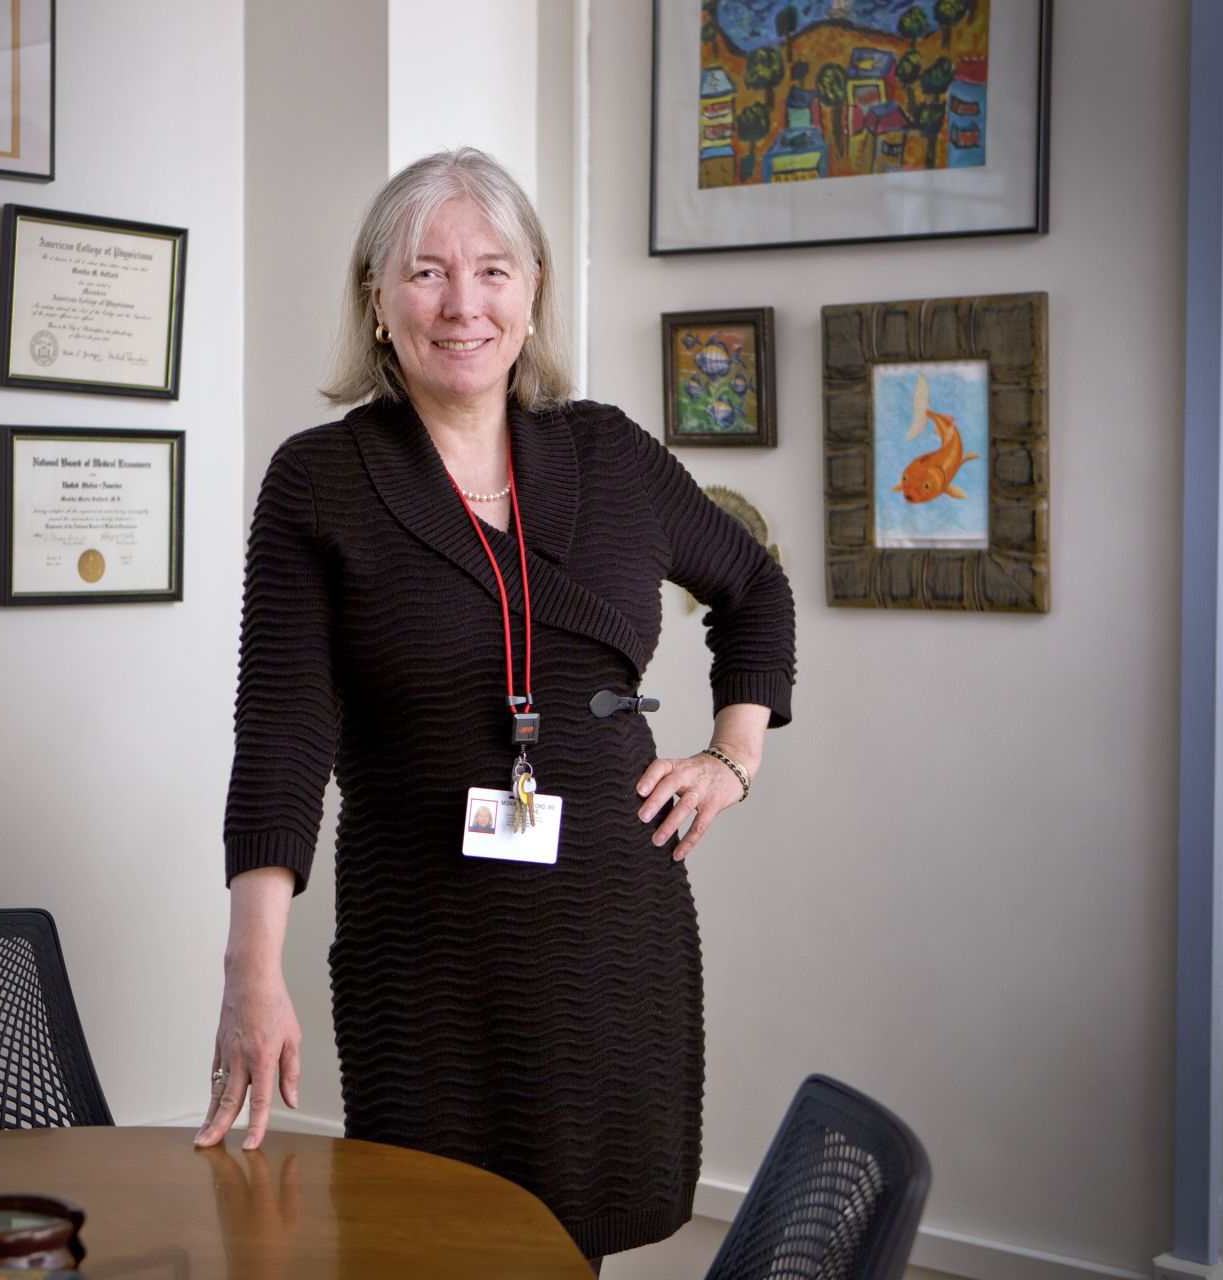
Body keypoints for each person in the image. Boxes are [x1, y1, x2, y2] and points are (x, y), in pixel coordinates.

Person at [195, 147, 795, 1270]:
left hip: (611, 939)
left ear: (533, 295)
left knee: (576, 1246)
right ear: (376, 301)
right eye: (425, 272)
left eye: (492, 270)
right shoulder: (318, 480)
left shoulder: (608, 453)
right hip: (426, 952)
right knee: (428, 1242)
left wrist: (732, 754)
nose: (461, 303)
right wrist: (250, 969)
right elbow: (279, 734)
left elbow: (755, 586)